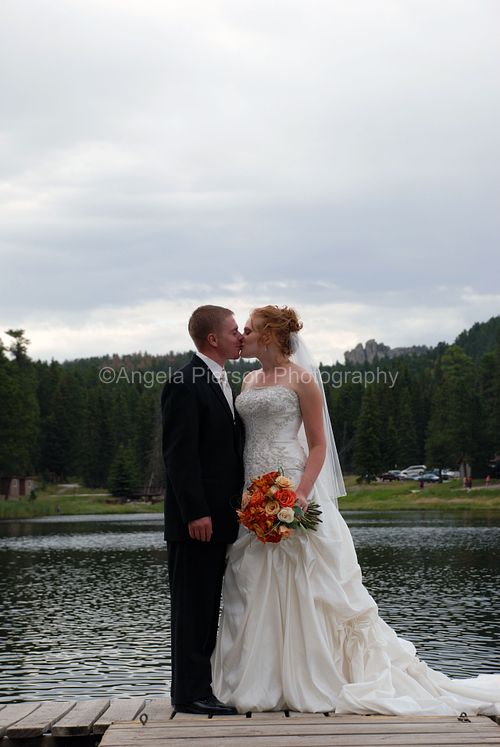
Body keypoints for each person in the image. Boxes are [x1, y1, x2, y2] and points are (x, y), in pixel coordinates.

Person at [212, 305, 500, 716]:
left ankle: (313, 674)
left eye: (250, 329)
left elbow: (318, 445)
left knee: (307, 580)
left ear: (270, 335)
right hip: (253, 490)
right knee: (253, 581)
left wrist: (300, 493)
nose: (243, 335)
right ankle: (259, 677)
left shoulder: (303, 379)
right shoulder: (249, 380)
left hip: (291, 485)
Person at [162, 305, 244, 715]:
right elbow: (180, 456)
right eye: (233, 331)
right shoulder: (186, 382)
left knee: (206, 604)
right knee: (192, 608)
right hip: (196, 522)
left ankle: (200, 688)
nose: (240, 336)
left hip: (221, 518)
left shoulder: (221, 380)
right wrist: (195, 512)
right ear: (213, 339)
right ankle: (189, 694)